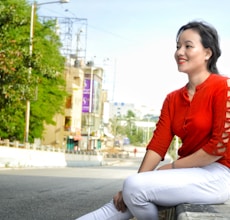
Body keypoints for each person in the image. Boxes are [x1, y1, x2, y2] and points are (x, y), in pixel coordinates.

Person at [76, 21, 230, 220]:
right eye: (177, 46)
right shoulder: (173, 99)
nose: (179, 52)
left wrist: (169, 168)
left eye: (188, 46)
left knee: (134, 188)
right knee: (120, 203)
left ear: (207, 53)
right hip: (187, 174)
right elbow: (158, 146)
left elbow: (217, 148)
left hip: (218, 175)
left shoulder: (223, 87)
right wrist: (137, 183)